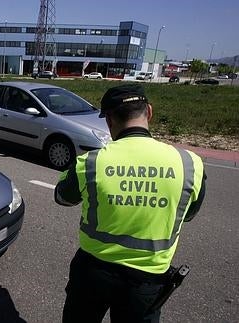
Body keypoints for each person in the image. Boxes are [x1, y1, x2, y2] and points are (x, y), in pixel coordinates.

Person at [54, 84, 206, 323]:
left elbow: (63, 197)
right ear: (150, 112)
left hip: (94, 272)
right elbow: (188, 214)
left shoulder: (90, 162)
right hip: (149, 280)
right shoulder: (190, 163)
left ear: (109, 121)